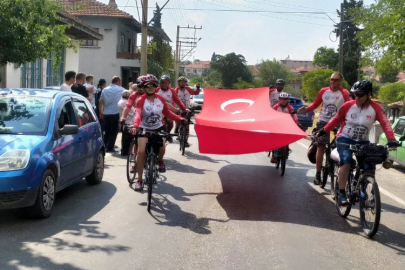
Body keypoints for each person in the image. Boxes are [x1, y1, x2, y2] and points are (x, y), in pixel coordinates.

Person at [316, 80, 396, 205]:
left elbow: (385, 124)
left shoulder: (376, 108)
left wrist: (392, 139)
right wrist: (324, 130)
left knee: (369, 165)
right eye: (355, 94)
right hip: (345, 139)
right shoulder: (348, 106)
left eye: (360, 94)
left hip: (363, 141)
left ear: (369, 94)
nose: (357, 97)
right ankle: (342, 192)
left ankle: (364, 185)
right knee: (346, 161)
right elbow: (336, 119)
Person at [129, 74, 187, 190]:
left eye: (153, 85)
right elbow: (138, 113)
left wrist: (179, 118)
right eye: (148, 85)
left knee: (162, 147)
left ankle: (160, 161)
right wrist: (135, 125)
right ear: (143, 88)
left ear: (156, 86)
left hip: (158, 127)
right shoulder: (141, 100)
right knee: (141, 153)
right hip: (144, 127)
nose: (151, 87)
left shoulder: (160, 99)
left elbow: (167, 113)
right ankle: (140, 180)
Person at [298, 72, 351, 185]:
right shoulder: (323, 91)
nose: (333, 81)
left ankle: (338, 166)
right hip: (323, 121)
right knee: (321, 146)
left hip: (338, 122)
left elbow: (351, 104)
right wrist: (306, 109)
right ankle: (318, 174)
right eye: (332, 79)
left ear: (340, 81)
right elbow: (315, 105)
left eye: (336, 80)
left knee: (339, 145)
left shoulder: (344, 92)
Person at [156, 75, 188, 142]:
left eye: (166, 83)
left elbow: (178, 100)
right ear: (160, 83)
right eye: (163, 82)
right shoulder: (156, 90)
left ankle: (168, 134)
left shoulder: (172, 91)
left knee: (170, 122)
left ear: (169, 83)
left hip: (169, 110)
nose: (164, 84)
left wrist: (184, 108)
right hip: (158, 110)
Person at [270, 92, 299, 163]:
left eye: (285, 99)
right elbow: (270, 116)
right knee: (274, 139)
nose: (284, 100)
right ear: (279, 99)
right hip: (277, 125)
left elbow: (294, 116)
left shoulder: (290, 108)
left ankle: (286, 148)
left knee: (287, 138)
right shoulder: (275, 107)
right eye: (282, 99)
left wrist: (296, 124)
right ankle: (274, 155)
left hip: (286, 126)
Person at [99, 76, 125, 152]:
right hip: (115, 113)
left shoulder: (105, 90)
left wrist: (101, 112)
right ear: (118, 82)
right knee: (113, 131)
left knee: (106, 131)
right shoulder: (122, 90)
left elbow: (101, 101)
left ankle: (104, 145)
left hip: (106, 113)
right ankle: (110, 147)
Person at [174, 76, 200, 147]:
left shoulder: (188, 89)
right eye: (182, 82)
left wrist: (198, 88)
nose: (183, 83)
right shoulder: (176, 90)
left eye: (184, 82)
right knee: (178, 118)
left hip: (187, 107)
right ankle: (177, 127)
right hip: (178, 107)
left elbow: (195, 93)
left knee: (187, 124)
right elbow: (173, 99)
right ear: (179, 83)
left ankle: (185, 141)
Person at [118, 90, 135, 156]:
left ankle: (125, 151)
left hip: (125, 122)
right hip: (128, 122)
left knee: (125, 138)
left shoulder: (121, 101)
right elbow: (131, 112)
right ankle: (126, 152)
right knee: (128, 138)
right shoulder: (125, 102)